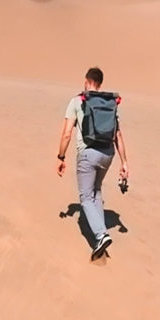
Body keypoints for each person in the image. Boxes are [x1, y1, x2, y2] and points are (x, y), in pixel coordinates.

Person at [56, 66, 130, 262]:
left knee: (86, 198)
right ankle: (101, 232)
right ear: (100, 83)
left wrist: (61, 157)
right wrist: (124, 163)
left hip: (87, 155)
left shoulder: (77, 101)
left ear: (86, 81)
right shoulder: (109, 104)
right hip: (108, 154)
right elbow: (118, 135)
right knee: (96, 191)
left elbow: (66, 134)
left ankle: (101, 235)